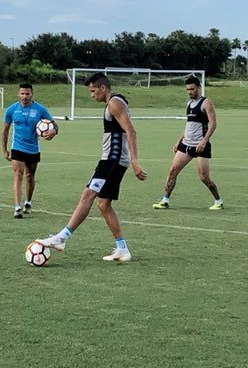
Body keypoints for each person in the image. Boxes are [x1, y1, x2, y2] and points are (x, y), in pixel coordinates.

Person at [37, 72, 147, 262]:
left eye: (93, 90)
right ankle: (122, 249)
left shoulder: (114, 103)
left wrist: (135, 161)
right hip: (114, 159)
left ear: (103, 87)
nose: (92, 94)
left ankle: (61, 238)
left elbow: (131, 131)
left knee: (88, 195)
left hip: (111, 160)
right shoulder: (114, 102)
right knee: (103, 204)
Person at [152, 76, 223, 210]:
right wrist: (179, 140)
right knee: (172, 171)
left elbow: (213, 124)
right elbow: (189, 125)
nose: (190, 92)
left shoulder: (206, 103)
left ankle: (218, 201)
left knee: (204, 178)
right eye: (188, 90)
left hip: (201, 146)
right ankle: (164, 200)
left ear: (199, 88)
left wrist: (204, 141)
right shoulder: (189, 104)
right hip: (186, 145)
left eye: (192, 89)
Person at [1, 82, 56, 218]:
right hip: (17, 147)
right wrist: (4, 149)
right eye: (22, 93)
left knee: (30, 176)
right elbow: (5, 130)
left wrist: (54, 132)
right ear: (18, 94)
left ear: (32, 94)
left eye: (27, 93)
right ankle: (17, 207)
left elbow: (54, 125)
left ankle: (28, 202)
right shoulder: (12, 110)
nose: (25, 96)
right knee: (18, 174)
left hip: (33, 148)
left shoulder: (40, 109)